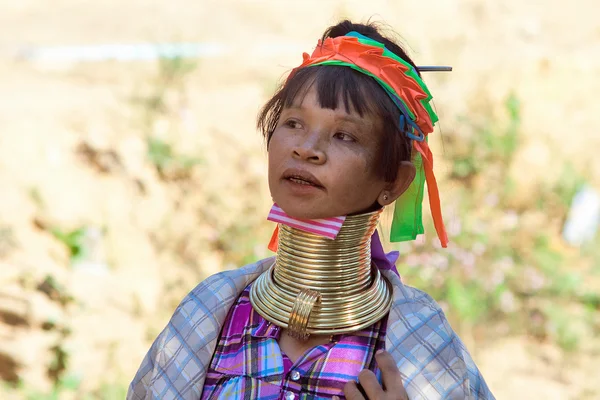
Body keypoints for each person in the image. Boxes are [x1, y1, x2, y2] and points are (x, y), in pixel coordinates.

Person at [127, 20, 495, 400]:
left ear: (395, 182)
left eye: (344, 135)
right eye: (293, 123)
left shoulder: (419, 346)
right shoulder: (207, 314)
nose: (307, 148)